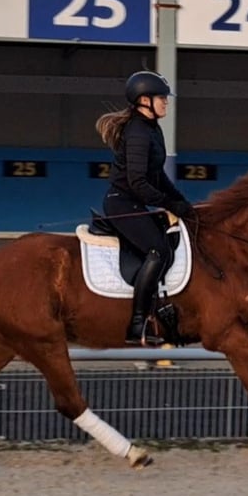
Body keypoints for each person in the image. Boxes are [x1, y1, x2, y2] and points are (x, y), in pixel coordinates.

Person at [95, 70, 196, 346]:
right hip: (122, 203)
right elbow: (138, 182)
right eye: (161, 98)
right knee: (159, 250)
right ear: (143, 100)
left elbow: (158, 176)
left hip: (135, 202)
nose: (166, 102)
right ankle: (137, 323)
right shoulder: (138, 132)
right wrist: (168, 203)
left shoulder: (152, 129)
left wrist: (182, 202)